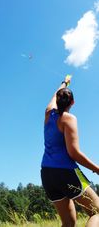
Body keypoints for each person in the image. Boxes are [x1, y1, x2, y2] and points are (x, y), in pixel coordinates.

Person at [41, 75, 99, 227]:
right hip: (65, 172)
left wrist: (64, 82)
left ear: (57, 99)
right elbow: (74, 153)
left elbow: (55, 95)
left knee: (68, 222)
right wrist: (97, 169)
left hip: (47, 174)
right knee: (97, 212)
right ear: (72, 102)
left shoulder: (48, 114)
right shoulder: (69, 119)